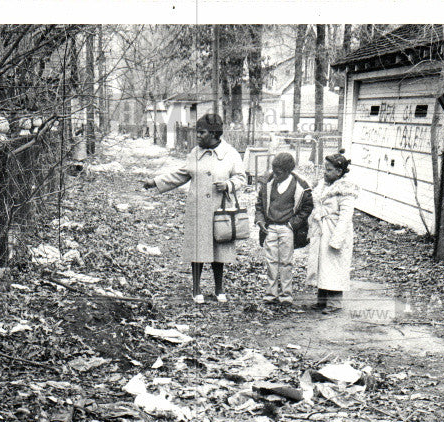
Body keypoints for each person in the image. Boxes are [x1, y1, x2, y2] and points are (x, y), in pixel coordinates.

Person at [143, 113, 246, 304]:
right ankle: (196, 289)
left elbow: (241, 178)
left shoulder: (230, 154)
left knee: (219, 249)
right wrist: (155, 182)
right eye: (197, 132)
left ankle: (219, 288)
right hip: (198, 209)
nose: (198, 136)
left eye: (202, 132)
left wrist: (229, 185)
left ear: (214, 134)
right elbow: (182, 174)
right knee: (197, 248)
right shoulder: (195, 153)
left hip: (219, 209)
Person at [255, 151, 313, 306]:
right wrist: (260, 221)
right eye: (273, 171)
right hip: (270, 228)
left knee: (286, 262)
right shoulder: (268, 184)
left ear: (288, 171)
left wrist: (293, 224)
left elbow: (307, 207)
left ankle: (286, 295)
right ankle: (270, 294)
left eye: (279, 173)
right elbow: (259, 205)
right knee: (271, 261)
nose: (275, 175)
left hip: (287, 229)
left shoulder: (300, 186)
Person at [307, 151, 359, 312]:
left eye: (329, 170)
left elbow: (345, 217)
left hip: (335, 231)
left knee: (334, 266)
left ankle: (334, 303)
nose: (325, 173)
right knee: (322, 265)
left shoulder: (345, 191)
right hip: (322, 230)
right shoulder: (323, 186)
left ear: (339, 172)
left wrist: (337, 239)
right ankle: (322, 300)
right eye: (324, 169)